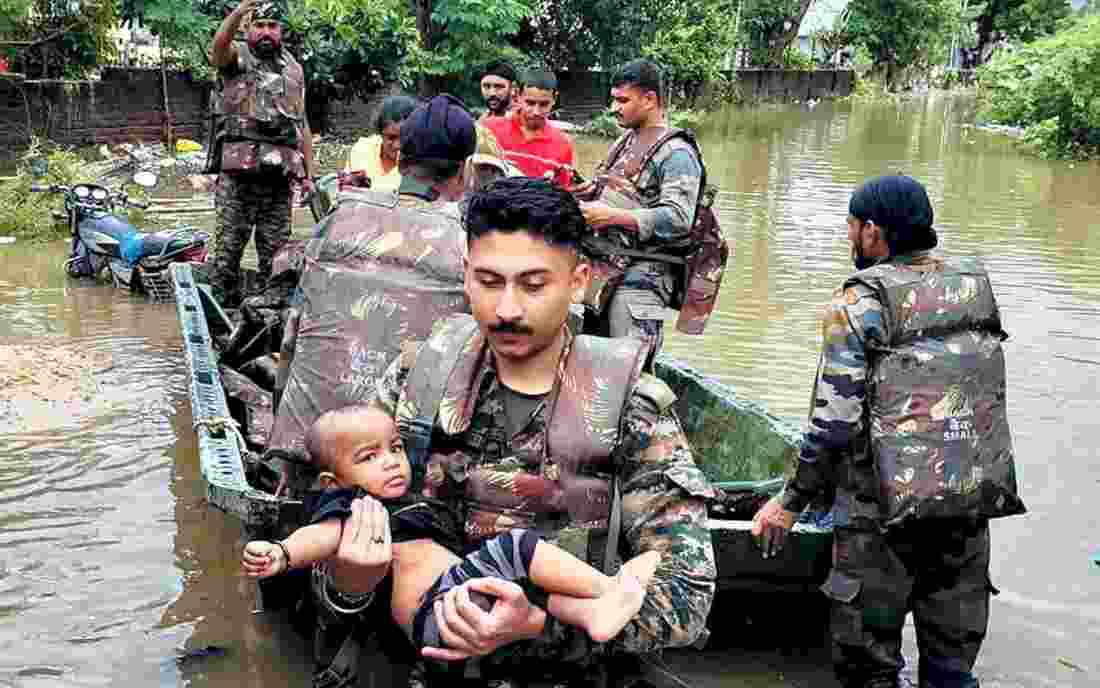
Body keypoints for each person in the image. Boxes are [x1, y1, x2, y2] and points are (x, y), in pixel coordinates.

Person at [316, 177, 717, 687]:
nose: (506, 309)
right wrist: (349, 585)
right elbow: (331, 536)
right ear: (465, 275)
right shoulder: (418, 379)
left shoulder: (629, 407)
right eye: (488, 281)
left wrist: (539, 627)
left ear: (578, 281)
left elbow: (685, 599)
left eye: (533, 285)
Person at [752, 175, 1025, 688]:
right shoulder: (971, 284)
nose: (849, 236)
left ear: (873, 232)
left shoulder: (858, 302)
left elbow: (834, 423)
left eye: (851, 226)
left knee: (869, 664)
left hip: (878, 511)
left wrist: (790, 502)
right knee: (952, 663)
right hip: (965, 496)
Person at [245, 404, 663, 650]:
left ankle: (592, 613)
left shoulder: (408, 502)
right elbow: (320, 536)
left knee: (529, 587)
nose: (392, 462)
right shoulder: (352, 505)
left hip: (456, 598)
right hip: (436, 610)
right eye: (369, 457)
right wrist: (283, 553)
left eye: (395, 448)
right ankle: (608, 588)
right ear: (331, 482)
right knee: (517, 545)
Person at [576, 59, 703, 362]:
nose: (614, 108)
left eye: (623, 100)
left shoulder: (677, 153)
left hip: (645, 273)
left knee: (628, 361)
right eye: (613, 100)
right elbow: (613, 191)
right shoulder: (625, 141)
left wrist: (612, 217)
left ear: (649, 99)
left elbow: (679, 218)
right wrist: (580, 189)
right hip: (607, 264)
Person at [206, 0, 316, 307]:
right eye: (259, 25)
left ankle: (270, 317)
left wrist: (309, 176)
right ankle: (221, 314)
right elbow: (218, 50)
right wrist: (238, 13)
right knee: (227, 256)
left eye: (272, 26)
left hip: (279, 182)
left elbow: (302, 124)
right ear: (248, 28)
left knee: (278, 260)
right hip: (238, 181)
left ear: (281, 30)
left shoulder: (294, 69)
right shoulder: (236, 57)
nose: (266, 32)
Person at [482, 70, 575, 188]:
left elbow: (564, 190)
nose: (536, 112)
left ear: (554, 99)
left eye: (544, 104)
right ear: (517, 95)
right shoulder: (489, 130)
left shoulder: (562, 144)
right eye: (530, 103)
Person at [343, 95, 419, 192]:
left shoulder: (420, 161)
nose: (397, 145)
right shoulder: (362, 150)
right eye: (391, 138)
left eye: (404, 137)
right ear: (380, 133)